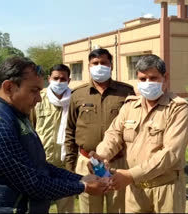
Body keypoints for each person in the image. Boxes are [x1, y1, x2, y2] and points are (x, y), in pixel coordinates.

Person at [0, 57, 107, 213]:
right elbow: (33, 183)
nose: (38, 98)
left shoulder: (16, 116)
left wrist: (80, 178)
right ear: (9, 87)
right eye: (34, 91)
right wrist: (83, 186)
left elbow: (39, 166)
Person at [90, 54, 188, 213]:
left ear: (165, 78)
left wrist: (130, 175)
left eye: (153, 78)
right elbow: (114, 135)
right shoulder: (130, 106)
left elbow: (170, 154)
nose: (147, 83)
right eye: (142, 79)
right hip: (135, 190)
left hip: (165, 189)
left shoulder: (179, 109)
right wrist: (102, 156)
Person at [64, 48, 135, 213]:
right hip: (86, 162)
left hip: (117, 162)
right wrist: (70, 166)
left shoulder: (126, 92)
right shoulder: (78, 94)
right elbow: (70, 131)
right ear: (88, 67)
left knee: (118, 208)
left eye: (104, 63)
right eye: (95, 63)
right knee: (90, 209)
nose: (99, 66)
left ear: (111, 66)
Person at [30, 64, 75, 213]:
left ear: (69, 80)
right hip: (42, 161)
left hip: (65, 161)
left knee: (66, 207)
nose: (59, 81)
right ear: (49, 79)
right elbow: (30, 127)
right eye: (56, 78)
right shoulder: (38, 99)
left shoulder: (75, 101)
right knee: (40, 206)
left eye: (63, 79)